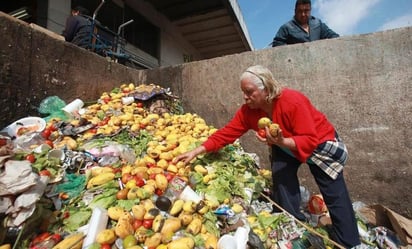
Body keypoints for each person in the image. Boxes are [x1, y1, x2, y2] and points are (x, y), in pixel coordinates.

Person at [174, 65, 360, 248]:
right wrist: (198, 150)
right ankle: (293, 223)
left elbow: (309, 139)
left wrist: (282, 141)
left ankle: (349, 241)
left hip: (318, 144)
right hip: (284, 145)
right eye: (243, 92)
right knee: (281, 178)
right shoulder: (249, 111)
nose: (245, 97)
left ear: (267, 88)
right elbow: (228, 132)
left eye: (249, 92)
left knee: (333, 192)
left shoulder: (293, 101)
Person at [272, 0, 339, 47]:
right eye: (300, 11)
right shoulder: (286, 28)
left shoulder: (318, 23)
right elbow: (277, 44)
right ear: (295, 11)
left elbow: (334, 37)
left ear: (310, 10)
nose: (303, 14)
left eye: (306, 11)